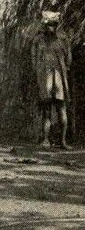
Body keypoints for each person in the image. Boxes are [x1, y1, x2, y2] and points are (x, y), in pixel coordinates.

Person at [31, 11, 72, 149]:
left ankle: (62, 141)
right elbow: (34, 61)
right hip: (45, 79)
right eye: (48, 25)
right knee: (47, 111)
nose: (50, 28)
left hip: (58, 79)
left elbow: (68, 59)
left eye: (53, 25)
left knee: (61, 109)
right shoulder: (38, 41)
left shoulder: (63, 40)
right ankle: (46, 140)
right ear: (44, 26)